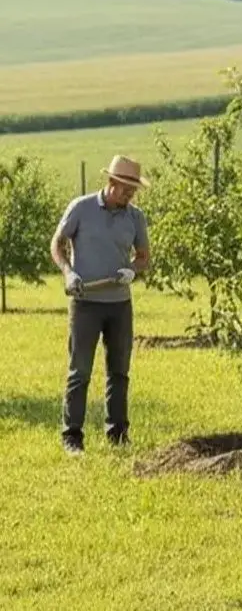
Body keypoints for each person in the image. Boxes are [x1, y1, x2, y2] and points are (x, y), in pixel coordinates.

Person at [49, 154, 152, 455]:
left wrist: (133, 269)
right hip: (85, 305)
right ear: (111, 182)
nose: (129, 195)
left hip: (119, 305)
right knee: (79, 371)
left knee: (119, 371)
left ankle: (117, 434)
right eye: (126, 189)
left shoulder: (135, 217)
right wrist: (68, 273)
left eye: (133, 190)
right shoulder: (81, 208)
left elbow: (144, 257)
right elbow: (57, 243)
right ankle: (72, 437)